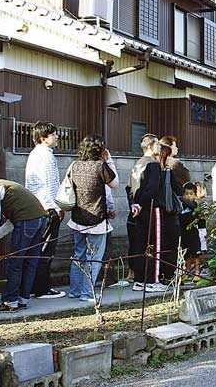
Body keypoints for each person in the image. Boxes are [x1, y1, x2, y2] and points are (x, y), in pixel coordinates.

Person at [0, 176, 48, 312]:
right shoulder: (6, 186)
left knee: (15, 263)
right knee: (30, 263)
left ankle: (10, 302)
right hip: (41, 219)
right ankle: (22, 300)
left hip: (27, 221)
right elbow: (13, 220)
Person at [67, 135, 118, 302]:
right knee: (94, 257)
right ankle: (87, 293)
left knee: (78, 255)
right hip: (96, 219)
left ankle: (74, 291)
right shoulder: (100, 166)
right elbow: (114, 184)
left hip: (77, 218)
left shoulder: (74, 165)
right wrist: (109, 161)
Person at [25, 122, 66, 299]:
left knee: (37, 248)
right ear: (44, 138)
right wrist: (57, 207)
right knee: (46, 249)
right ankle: (42, 288)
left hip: (36, 206)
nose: (57, 137)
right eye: (54, 135)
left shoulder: (34, 154)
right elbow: (50, 185)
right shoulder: (46, 156)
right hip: (48, 207)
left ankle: (34, 286)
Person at [126, 134, 161, 286]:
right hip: (149, 208)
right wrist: (140, 204)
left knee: (139, 244)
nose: (159, 147)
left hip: (135, 210)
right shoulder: (152, 164)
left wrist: (133, 204)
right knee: (152, 244)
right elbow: (152, 189)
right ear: (150, 146)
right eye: (157, 144)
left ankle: (138, 279)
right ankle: (151, 281)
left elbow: (128, 187)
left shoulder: (137, 164)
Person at [154, 144, 184, 286]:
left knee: (159, 246)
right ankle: (170, 275)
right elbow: (178, 190)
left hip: (155, 213)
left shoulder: (150, 170)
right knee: (172, 246)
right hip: (169, 212)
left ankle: (159, 275)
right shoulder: (168, 172)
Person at [180, 182, 206, 283]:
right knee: (186, 254)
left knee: (196, 253)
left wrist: (181, 199)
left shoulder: (194, 205)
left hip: (193, 233)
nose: (188, 196)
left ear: (195, 195)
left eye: (191, 194)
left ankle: (197, 272)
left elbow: (191, 205)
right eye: (186, 194)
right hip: (184, 233)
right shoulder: (181, 207)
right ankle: (186, 271)